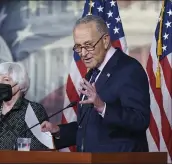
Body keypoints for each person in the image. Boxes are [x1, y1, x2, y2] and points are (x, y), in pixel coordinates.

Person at [41, 15, 151, 152]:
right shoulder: (93, 73)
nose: (83, 53)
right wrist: (58, 131)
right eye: (78, 47)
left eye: (88, 45)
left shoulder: (128, 69)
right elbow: (89, 128)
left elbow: (140, 120)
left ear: (105, 40)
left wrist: (103, 107)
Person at [0, 62, 50, 150]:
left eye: (6, 80)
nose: (0, 84)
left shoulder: (34, 110)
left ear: (20, 83)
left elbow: (39, 147)